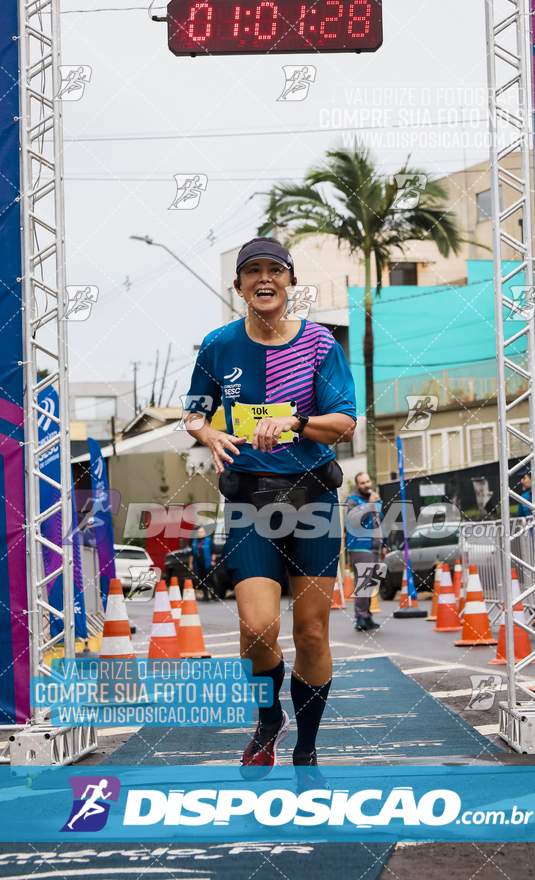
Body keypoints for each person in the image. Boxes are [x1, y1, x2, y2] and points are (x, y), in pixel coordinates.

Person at [183, 236, 356, 780]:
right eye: (251, 272)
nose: (264, 279)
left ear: (289, 282)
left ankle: (305, 748)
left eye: (274, 271)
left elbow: (346, 422)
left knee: (311, 632)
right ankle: (268, 719)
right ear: (238, 286)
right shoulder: (217, 346)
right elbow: (193, 414)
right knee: (257, 630)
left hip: (311, 498)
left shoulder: (319, 345)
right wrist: (207, 432)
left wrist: (296, 423)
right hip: (249, 500)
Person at [345, 472, 387, 632]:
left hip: (374, 547)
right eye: (362, 483)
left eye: (368, 481)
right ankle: (360, 617)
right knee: (363, 582)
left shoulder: (373, 500)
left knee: (371, 583)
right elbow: (354, 521)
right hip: (360, 546)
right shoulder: (352, 501)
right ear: (357, 486)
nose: (366, 485)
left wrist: (384, 544)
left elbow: (379, 523)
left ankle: (367, 616)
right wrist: (369, 505)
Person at [188, 525, 217, 601]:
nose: (201, 533)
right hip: (199, 564)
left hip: (208, 563)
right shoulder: (195, 542)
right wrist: (190, 563)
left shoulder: (208, 540)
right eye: (199, 532)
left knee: (211, 579)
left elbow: (213, 552)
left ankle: (215, 595)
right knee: (202, 580)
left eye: (202, 532)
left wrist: (213, 561)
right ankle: (205, 595)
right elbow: (192, 554)